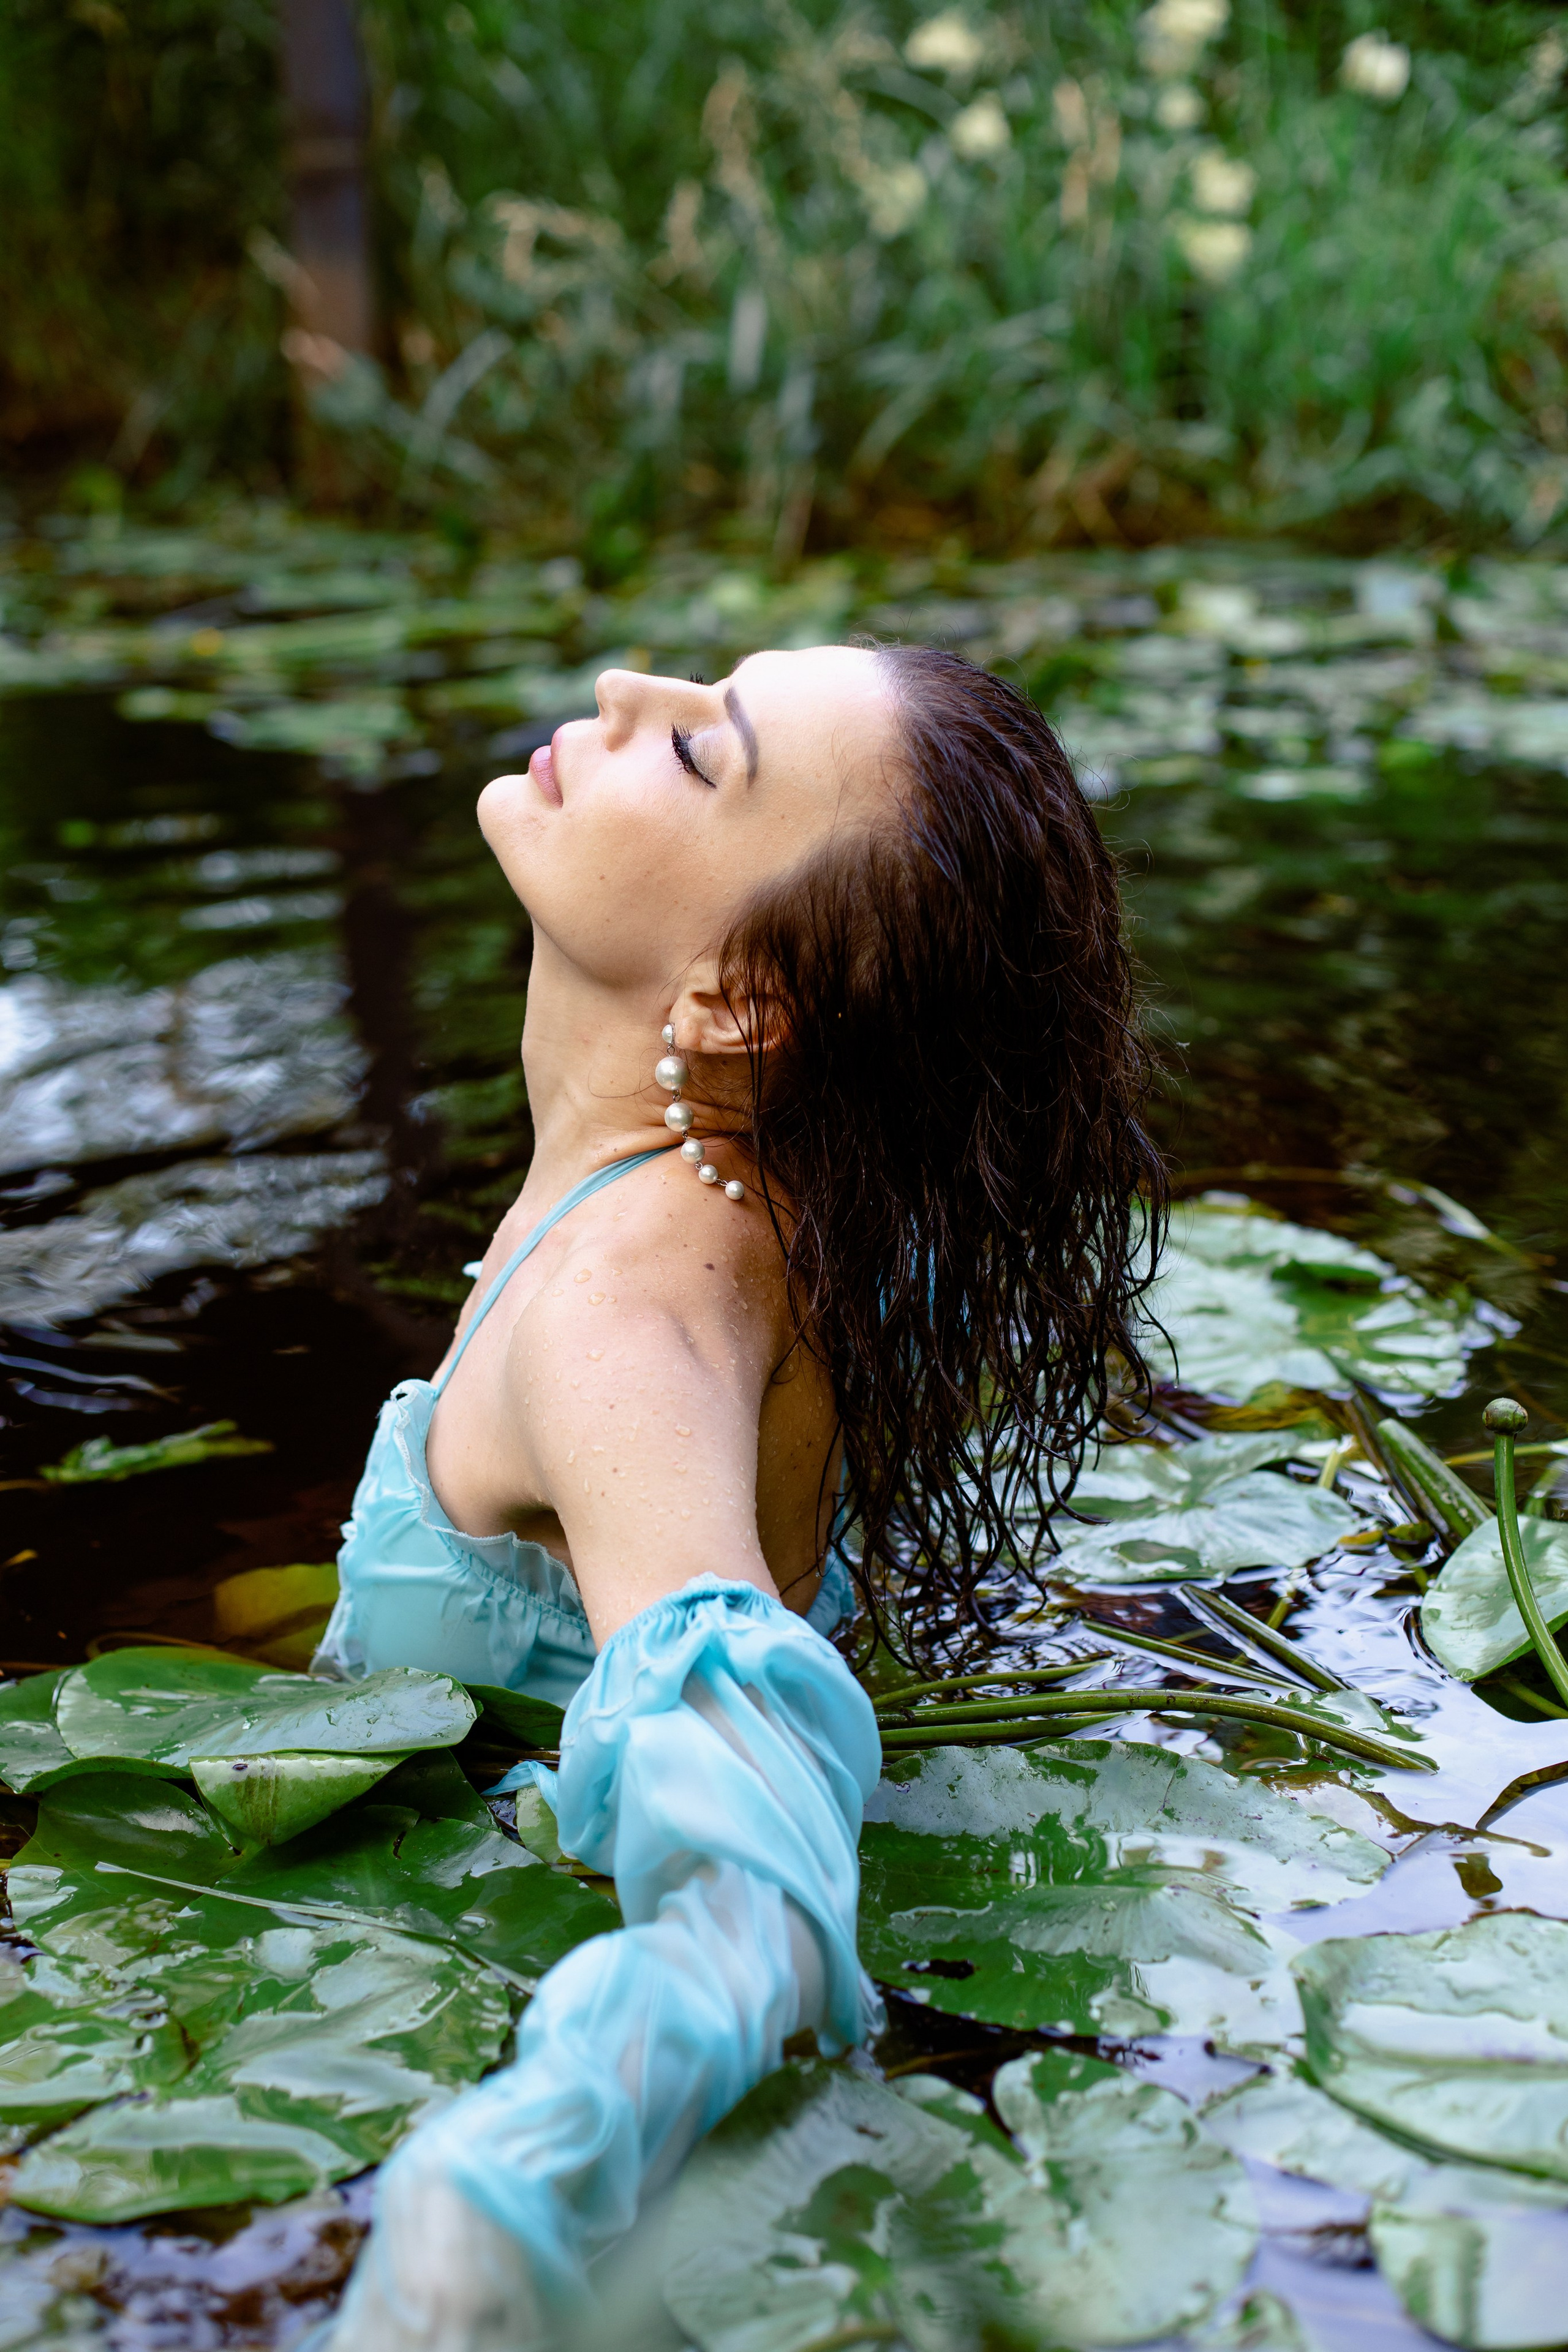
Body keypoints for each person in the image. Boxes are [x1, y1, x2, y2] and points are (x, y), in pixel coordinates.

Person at [316, 643, 1163, 2349]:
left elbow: (749, 1873)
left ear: (741, 1003)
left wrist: (510, 2179)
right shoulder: (797, 1206)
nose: (629, 686)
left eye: (705, 753)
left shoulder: (621, 1319)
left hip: (485, 2001)